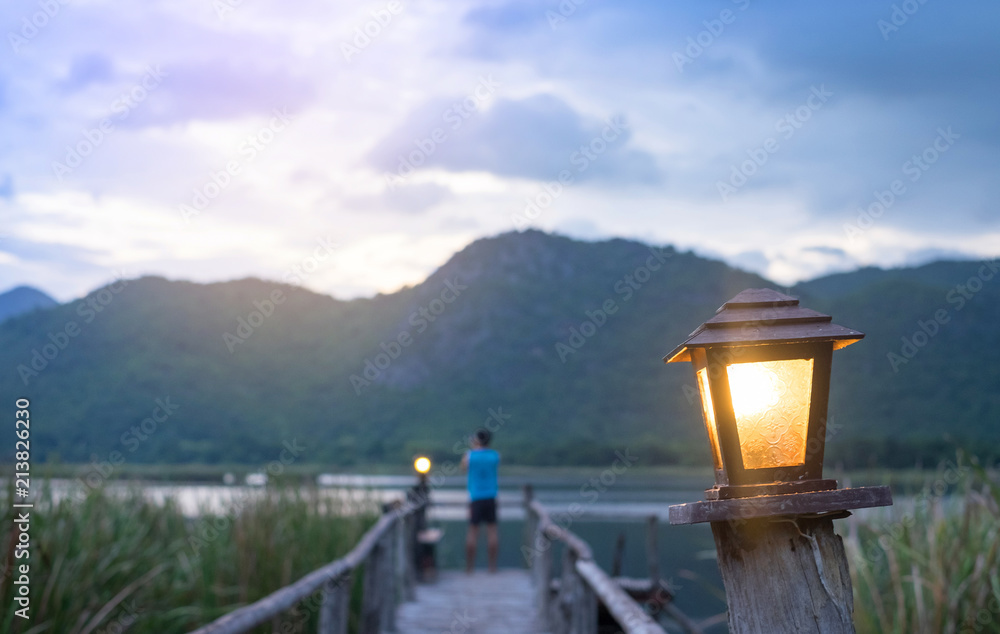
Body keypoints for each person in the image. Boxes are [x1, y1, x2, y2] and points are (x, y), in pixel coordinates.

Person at [461, 428, 499, 573]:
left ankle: (469, 567)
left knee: (472, 532)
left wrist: (473, 448)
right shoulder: (495, 456)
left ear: (476, 440)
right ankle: (492, 567)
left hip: (475, 497)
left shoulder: (469, 456)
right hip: (491, 497)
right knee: (492, 532)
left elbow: (463, 469)